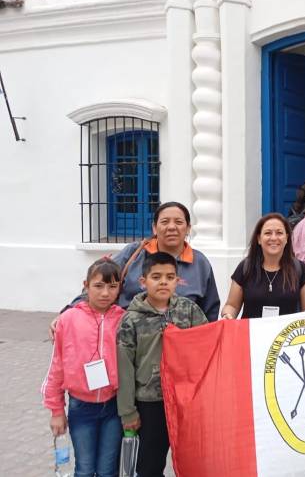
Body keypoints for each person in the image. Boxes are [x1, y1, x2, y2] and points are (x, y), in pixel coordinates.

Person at [49, 202, 220, 338]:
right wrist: (69, 311)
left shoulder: (200, 263)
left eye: (179, 222)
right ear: (154, 227)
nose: (172, 227)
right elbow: (100, 282)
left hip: (179, 347)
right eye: (165, 222)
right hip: (128, 341)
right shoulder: (134, 253)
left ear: (188, 228)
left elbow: (210, 310)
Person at [117, 252, 208, 477]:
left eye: (169, 277)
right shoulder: (131, 320)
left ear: (178, 281)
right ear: (143, 281)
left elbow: (207, 343)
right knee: (149, 465)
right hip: (150, 403)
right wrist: (128, 412)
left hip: (184, 400)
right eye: (156, 277)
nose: (163, 282)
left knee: (192, 460)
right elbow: (125, 368)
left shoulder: (188, 311)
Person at [42, 258, 126, 477]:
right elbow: (56, 367)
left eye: (112, 286)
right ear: (85, 286)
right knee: (85, 469)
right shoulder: (68, 319)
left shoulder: (124, 319)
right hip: (81, 409)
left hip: (114, 408)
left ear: (120, 288)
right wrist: (57, 411)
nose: (105, 293)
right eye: (98, 286)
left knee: (108, 470)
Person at [222, 213, 305, 319]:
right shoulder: (245, 267)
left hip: (286, 334)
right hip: (251, 334)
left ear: (287, 238)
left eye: (279, 233)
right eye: (268, 233)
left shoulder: (299, 269)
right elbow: (232, 305)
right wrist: (228, 315)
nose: (274, 238)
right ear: (259, 239)